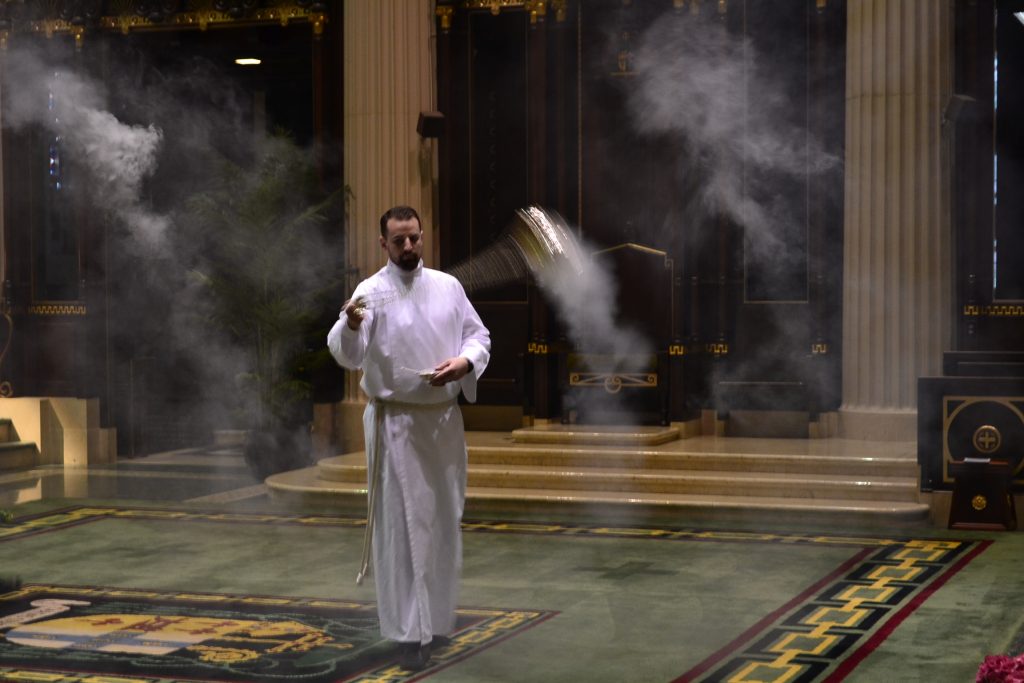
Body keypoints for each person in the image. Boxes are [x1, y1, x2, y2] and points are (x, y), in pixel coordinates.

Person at [327, 205, 490, 671]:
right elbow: (346, 351)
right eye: (398, 240)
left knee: (442, 524)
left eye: (414, 238)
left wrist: (463, 363)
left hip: (441, 422)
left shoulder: (448, 286)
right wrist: (352, 324)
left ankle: (435, 624)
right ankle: (406, 634)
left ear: (423, 235)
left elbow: (478, 336)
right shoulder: (370, 293)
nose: (408, 247)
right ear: (383, 243)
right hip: (394, 423)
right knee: (403, 529)